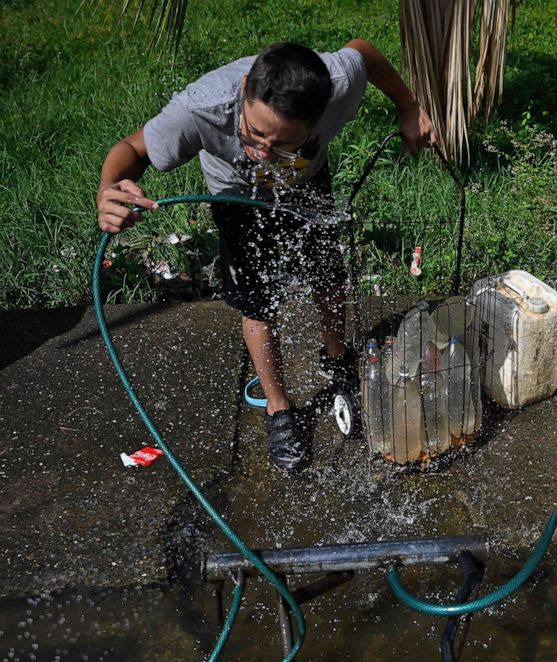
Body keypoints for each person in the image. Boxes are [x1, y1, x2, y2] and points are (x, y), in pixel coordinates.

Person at [97, 40, 437, 472]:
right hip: (238, 197)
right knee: (256, 302)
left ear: (318, 117)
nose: (261, 151)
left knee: (327, 272)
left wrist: (408, 107)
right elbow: (131, 150)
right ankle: (278, 408)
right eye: (255, 134)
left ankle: (337, 357)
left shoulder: (338, 81)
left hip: (308, 183)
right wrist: (109, 189)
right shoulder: (200, 108)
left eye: (281, 144)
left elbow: (364, 52)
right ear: (244, 91)